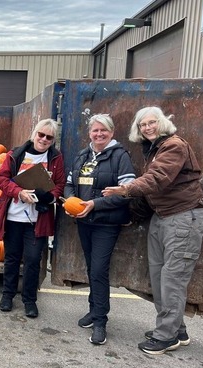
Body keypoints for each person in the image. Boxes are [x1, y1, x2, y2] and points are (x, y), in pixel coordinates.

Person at [103, 106, 203, 355]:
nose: (148, 127)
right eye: (143, 125)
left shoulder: (174, 146)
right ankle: (176, 330)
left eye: (152, 122)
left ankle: (165, 337)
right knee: (160, 278)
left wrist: (125, 189)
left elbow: (158, 178)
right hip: (162, 217)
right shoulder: (153, 149)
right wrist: (132, 216)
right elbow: (154, 191)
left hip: (184, 217)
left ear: (162, 123)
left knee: (172, 280)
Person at [63, 114, 136, 345]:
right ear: (89, 133)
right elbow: (68, 184)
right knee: (91, 268)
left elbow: (126, 193)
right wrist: (70, 201)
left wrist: (94, 204)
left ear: (112, 132)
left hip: (106, 223)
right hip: (84, 222)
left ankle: (100, 321)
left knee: (98, 270)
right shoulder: (83, 156)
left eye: (103, 130)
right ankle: (93, 310)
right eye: (95, 130)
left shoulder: (120, 156)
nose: (99, 134)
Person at [0, 118, 65, 318]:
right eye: (41, 134)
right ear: (34, 134)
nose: (44, 139)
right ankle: (7, 295)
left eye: (49, 137)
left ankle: (29, 300)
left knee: (33, 260)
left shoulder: (56, 158)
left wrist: (49, 197)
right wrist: (18, 192)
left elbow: (60, 184)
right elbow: (1, 178)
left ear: (53, 140)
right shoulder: (16, 154)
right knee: (12, 258)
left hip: (37, 219)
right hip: (14, 216)